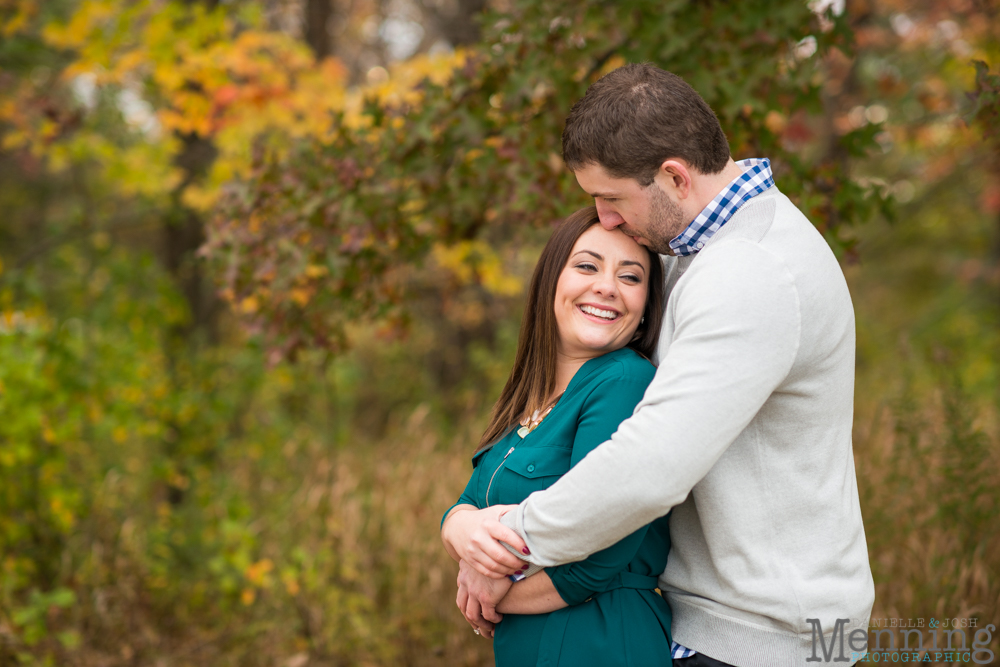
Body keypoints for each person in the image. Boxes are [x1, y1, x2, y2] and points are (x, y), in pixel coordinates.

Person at [441, 63, 875, 667]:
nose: (607, 219)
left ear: (673, 176)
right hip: (713, 622)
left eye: (611, 199)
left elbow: (651, 464)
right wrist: (461, 525)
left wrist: (507, 552)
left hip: (768, 639)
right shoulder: (693, 253)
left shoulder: (753, 270)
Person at [441, 206, 675, 666]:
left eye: (630, 277)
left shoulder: (623, 382)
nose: (606, 286)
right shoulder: (532, 400)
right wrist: (459, 528)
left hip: (601, 640)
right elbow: (470, 500)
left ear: (646, 309)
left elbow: (601, 552)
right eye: (587, 266)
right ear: (551, 281)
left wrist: (492, 592)